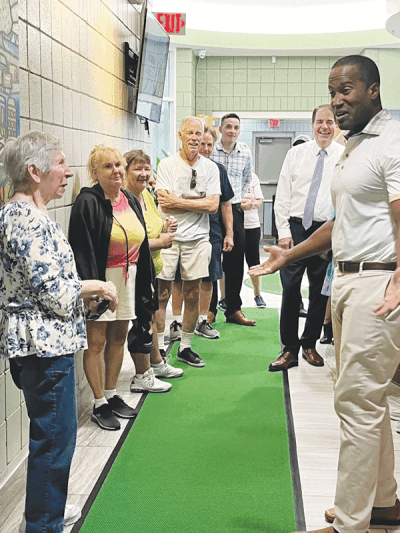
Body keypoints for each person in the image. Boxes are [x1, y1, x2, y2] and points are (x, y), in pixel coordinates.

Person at [250, 55, 400, 533]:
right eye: (332, 92)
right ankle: (383, 502)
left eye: (347, 90)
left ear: (373, 90)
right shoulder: (353, 148)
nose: (337, 102)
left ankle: (350, 524)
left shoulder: (392, 141)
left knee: (356, 403)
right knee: (364, 399)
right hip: (351, 280)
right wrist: (287, 257)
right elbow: (341, 224)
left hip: (380, 282)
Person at [0, 132, 118, 533]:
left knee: (53, 437)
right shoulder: (25, 221)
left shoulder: (21, 216)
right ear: (34, 172)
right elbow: (51, 292)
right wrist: (97, 286)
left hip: (41, 344)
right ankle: (43, 525)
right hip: (43, 350)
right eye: (60, 164)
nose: (68, 172)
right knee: (54, 441)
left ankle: (43, 514)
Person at [69, 145, 156, 430]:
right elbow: (81, 248)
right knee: (96, 342)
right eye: (107, 166)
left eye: (118, 164)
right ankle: (98, 403)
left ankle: (111, 393)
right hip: (101, 279)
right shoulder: (88, 201)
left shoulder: (129, 198)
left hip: (127, 277)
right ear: (94, 172)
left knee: (119, 336)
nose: (116, 170)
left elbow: (141, 243)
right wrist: (94, 291)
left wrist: (146, 281)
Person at [269, 104, 343, 372]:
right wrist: (284, 233)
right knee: (290, 290)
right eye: (320, 121)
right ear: (312, 125)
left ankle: (309, 345)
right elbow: (283, 196)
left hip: (326, 231)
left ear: (336, 125)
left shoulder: (344, 156)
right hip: (296, 229)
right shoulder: (296, 154)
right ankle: (289, 350)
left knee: (319, 293)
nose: (324, 127)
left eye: (330, 122)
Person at [155, 116, 221, 367]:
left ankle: (185, 346)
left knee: (193, 294)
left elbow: (213, 205)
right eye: (189, 133)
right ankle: (160, 347)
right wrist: (197, 204)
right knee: (161, 293)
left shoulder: (210, 168)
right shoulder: (167, 166)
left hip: (198, 239)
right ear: (180, 136)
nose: (195, 137)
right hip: (169, 239)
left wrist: (179, 202)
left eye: (199, 133)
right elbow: (164, 203)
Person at [124, 149, 183, 392]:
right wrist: (160, 242)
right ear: (126, 172)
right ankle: (141, 376)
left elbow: (153, 226)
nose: (144, 174)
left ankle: (156, 362)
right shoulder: (124, 199)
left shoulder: (146, 195)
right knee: (141, 323)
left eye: (147, 169)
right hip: (134, 271)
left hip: (151, 268)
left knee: (150, 317)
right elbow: (129, 239)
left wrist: (165, 227)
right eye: (137, 169)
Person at [169, 126, 234, 340]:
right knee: (179, 279)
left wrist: (229, 233)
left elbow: (223, 204)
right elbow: (168, 202)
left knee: (208, 279)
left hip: (211, 231)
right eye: (201, 143)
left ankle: (202, 321)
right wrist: (199, 204)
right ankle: (177, 322)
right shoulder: (175, 167)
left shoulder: (217, 170)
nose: (204, 148)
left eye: (208, 144)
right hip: (180, 231)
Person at [211, 113, 255, 326]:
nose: (232, 131)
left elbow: (247, 178)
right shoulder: (210, 150)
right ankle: (209, 310)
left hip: (235, 210)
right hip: (211, 210)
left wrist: (237, 199)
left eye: (236, 127)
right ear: (220, 129)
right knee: (210, 260)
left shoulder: (245, 153)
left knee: (236, 260)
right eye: (228, 126)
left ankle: (233, 309)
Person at [242, 171, 266, 308]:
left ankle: (257, 294)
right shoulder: (231, 175)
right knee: (231, 263)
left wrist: (246, 202)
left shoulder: (253, 177)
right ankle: (225, 297)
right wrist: (248, 202)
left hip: (253, 225)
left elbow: (259, 200)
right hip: (235, 224)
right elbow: (233, 201)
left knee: (254, 261)